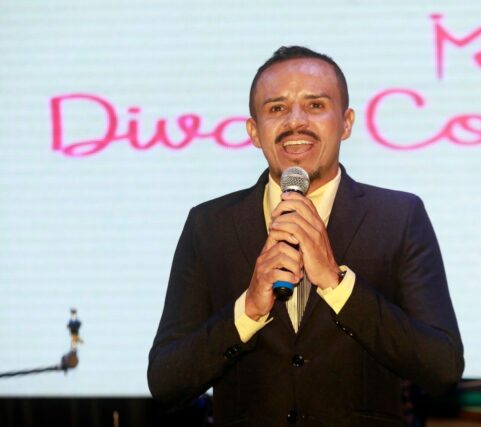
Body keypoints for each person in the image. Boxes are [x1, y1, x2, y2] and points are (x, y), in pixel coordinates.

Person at [148, 46, 464, 426]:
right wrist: (247, 311)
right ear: (254, 131)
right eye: (276, 108)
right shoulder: (209, 225)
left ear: (346, 123)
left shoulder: (399, 217)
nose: (295, 122)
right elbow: (166, 381)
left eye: (315, 105)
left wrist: (337, 285)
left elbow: (442, 368)